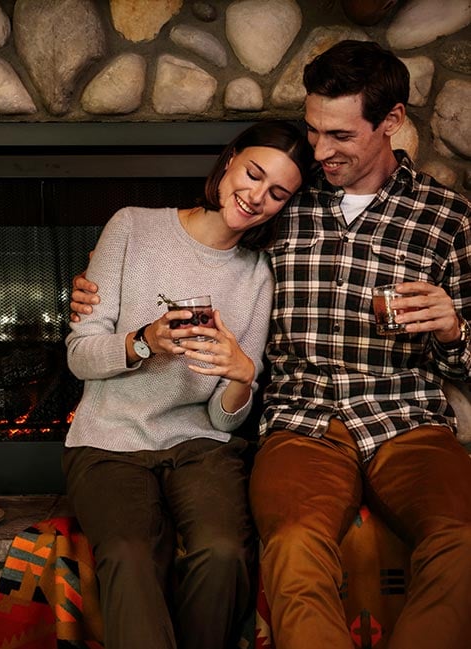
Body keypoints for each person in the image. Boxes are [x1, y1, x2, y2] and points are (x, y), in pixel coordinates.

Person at [70, 40, 471, 649]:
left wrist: (454, 330)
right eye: (311, 131)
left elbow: (467, 358)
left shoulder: (448, 219)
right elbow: (198, 242)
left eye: (338, 135)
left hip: (407, 418)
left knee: (464, 540)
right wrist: (97, 296)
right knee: (291, 546)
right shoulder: (287, 201)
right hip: (301, 422)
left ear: (391, 122)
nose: (319, 151)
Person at [64, 120, 312, 649]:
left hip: (200, 446)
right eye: (252, 173)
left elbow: (224, 419)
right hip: (109, 438)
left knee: (224, 552)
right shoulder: (131, 227)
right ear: (228, 162)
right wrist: (143, 341)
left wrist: (242, 375)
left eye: (276, 193)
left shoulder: (257, 274)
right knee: (129, 553)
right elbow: (81, 355)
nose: (256, 197)